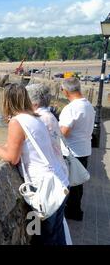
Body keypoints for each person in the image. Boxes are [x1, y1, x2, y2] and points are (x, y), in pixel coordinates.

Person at [0, 83, 69, 245]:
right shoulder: (35, 117)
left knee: (47, 239)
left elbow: (12, 158)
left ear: (8, 101)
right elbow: (18, 146)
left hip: (44, 187)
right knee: (56, 235)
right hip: (58, 182)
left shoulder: (17, 122)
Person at [59, 77, 95, 221]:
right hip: (84, 149)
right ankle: (76, 211)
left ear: (66, 91)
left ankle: (72, 213)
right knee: (78, 185)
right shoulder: (88, 106)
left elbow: (64, 132)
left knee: (70, 184)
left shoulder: (72, 108)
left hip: (72, 152)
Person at [26, 84, 68, 176]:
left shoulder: (39, 118)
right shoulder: (50, 115)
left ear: (34, 103)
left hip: (47, 173)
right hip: (57, 167)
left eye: (25, 100)